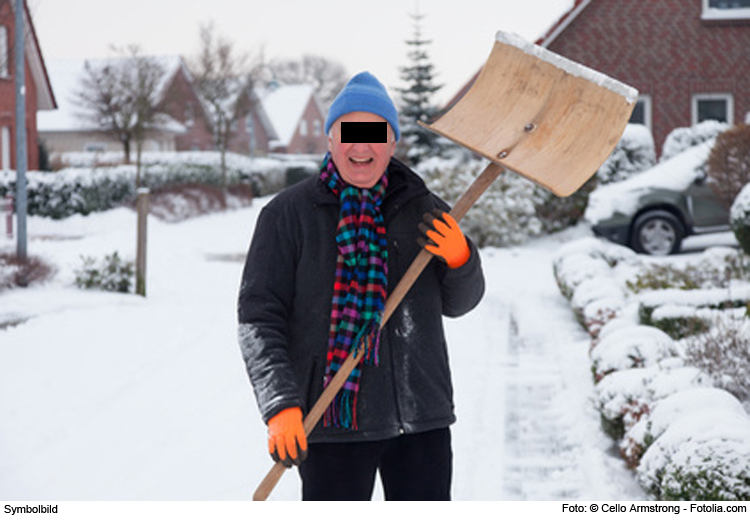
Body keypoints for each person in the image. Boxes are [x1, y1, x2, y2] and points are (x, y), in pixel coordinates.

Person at [238, 71, 485, 501]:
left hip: (420, 418)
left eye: (375, 132)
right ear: (331, 140)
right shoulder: (287, 216)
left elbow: (460, 302)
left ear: (392, 141)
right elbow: (259, 318)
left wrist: (462, 259)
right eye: (349, 132)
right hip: (330, 419)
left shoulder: (424, 209)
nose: (361, 145)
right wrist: (280, 404)